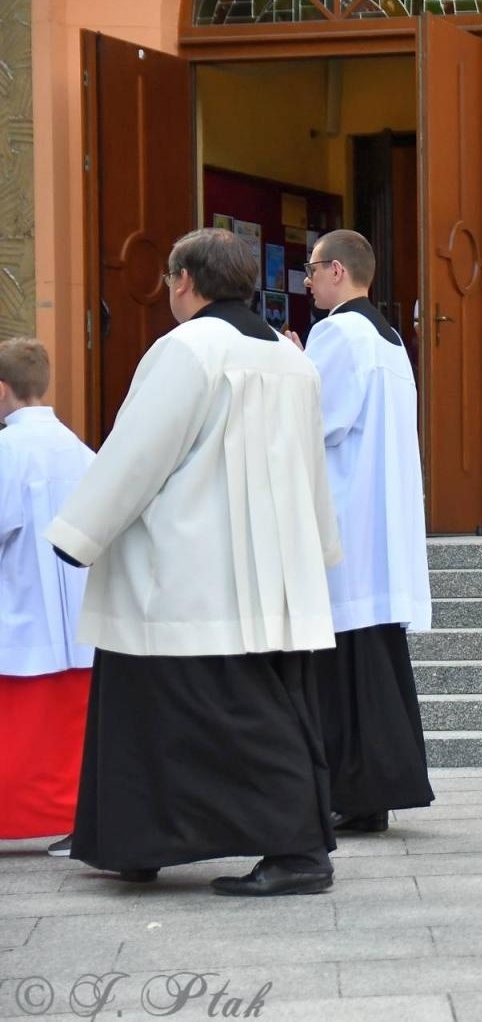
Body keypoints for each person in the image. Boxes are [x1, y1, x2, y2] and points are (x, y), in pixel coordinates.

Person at [46, 227, 343, 896]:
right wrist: (318, 545)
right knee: (208, 706)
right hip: (270, 567)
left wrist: (79, 531)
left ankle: (298, 851)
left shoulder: (186, 351)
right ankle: (135, 841)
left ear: (184, 281)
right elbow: (310, 465)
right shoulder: (292, 360)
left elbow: (139, 452)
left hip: (188, 571)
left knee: (226, 714)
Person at [301, 229, 434, 834]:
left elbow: (315, 419)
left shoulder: (337, 333)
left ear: (335, 271)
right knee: (373, 664)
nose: (305, 281)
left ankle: (353, 792)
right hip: (381, 518)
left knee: (343, 667)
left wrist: (290, 367)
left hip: (347, 519)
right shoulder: (389, 336)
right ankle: (373, 790)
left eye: (310, 269)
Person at [0, 340, 94, 852]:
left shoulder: (8, 451)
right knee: (71, 732)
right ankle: (74, 816)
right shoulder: (80, 449)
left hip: (22, 608)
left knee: (17, 733)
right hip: (80, 616)